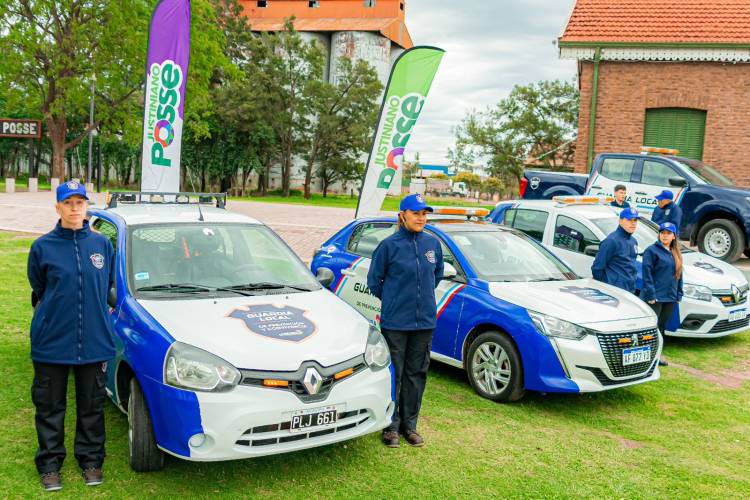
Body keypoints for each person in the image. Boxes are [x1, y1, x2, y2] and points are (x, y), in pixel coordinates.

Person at [27, 181, 116, 491]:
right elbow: (39, 288)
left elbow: (105, 287)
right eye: (69, 202)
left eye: (80, 202)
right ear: (58, 207)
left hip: (94, 341)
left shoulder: (102, 245)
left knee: (91, 406)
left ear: (87, 207)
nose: (75, 207)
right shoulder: (42, 247)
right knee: (50, 407)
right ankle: (50, 465)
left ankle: (91, 461)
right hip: (52, 342)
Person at [367, 193, 444, 448]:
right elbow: (374, 281)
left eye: (425, 214)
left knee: (416, 373)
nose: (421, 218)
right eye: (416, 213)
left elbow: (437, 275)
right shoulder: (389, 246)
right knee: (395, 374)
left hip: (424, 322)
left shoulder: (432, 244)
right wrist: (394, 300)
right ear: (402, 215)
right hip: (396, 323)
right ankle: (391, 426)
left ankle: (410, 426)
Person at [641, 222, 683, 367]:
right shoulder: (651, 251)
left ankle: (657, 355)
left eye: (668, 233)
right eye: (662, 232)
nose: (664, 235)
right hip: (655, 297)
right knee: (652, 327)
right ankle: (648, 356)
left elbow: (679, 274)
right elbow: (647, 275)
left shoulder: (675, 252)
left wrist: (679, 293)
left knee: (662, 327)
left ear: (673, 236)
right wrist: (651, 294)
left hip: (670, 297)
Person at [591, 208, 639, 293]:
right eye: (629, 220)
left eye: (635, 220)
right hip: (613, 291)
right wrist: (607, 286)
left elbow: (631, 267)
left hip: (629, 290)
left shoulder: (633, 241)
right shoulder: (611, 241)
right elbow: (597, 268)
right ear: (620, 221)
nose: (633, 223)